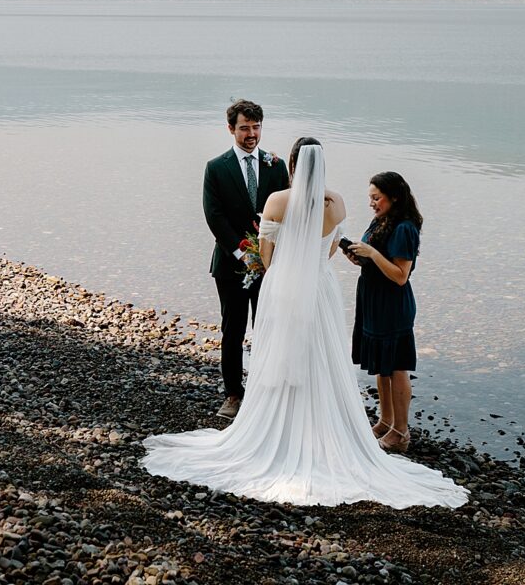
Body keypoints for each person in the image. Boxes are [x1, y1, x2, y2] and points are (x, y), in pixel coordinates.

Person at [142, 141, 468, 509]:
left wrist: (279, 265)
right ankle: (330, 428)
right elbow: (329, 251)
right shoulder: (337, 202)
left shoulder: (277, 201)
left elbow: (266, 258)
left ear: (293, 165)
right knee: (323, 355)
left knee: (283, 350)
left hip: (284, 285)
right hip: (320, 286)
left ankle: (279, 428)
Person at [202, 98, 289, 420]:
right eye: (244, 128)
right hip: (230, 264)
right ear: (230, 129)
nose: (251, 134)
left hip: (270, 266)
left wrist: (268, 255)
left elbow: (285, 214)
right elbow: (214, 215)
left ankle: (266, 391)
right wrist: (242, 252)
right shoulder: (216, 167)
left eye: (256, 127)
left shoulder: (276, 165)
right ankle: (234, 395)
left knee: (268, 328)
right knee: (233, 330)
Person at [346, 171, 421, 454]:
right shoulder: (382, 220)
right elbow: (376, 261)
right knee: (381, 364)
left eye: (376, 198)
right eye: (370, 198)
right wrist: (358, 257)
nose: (372, 204)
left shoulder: (404, 228)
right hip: (373, 298)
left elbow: (400, 275)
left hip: (392, 303)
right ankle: (386, 420)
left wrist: (373, 255)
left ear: (394, 197)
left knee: (397, 366)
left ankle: (401, 432)